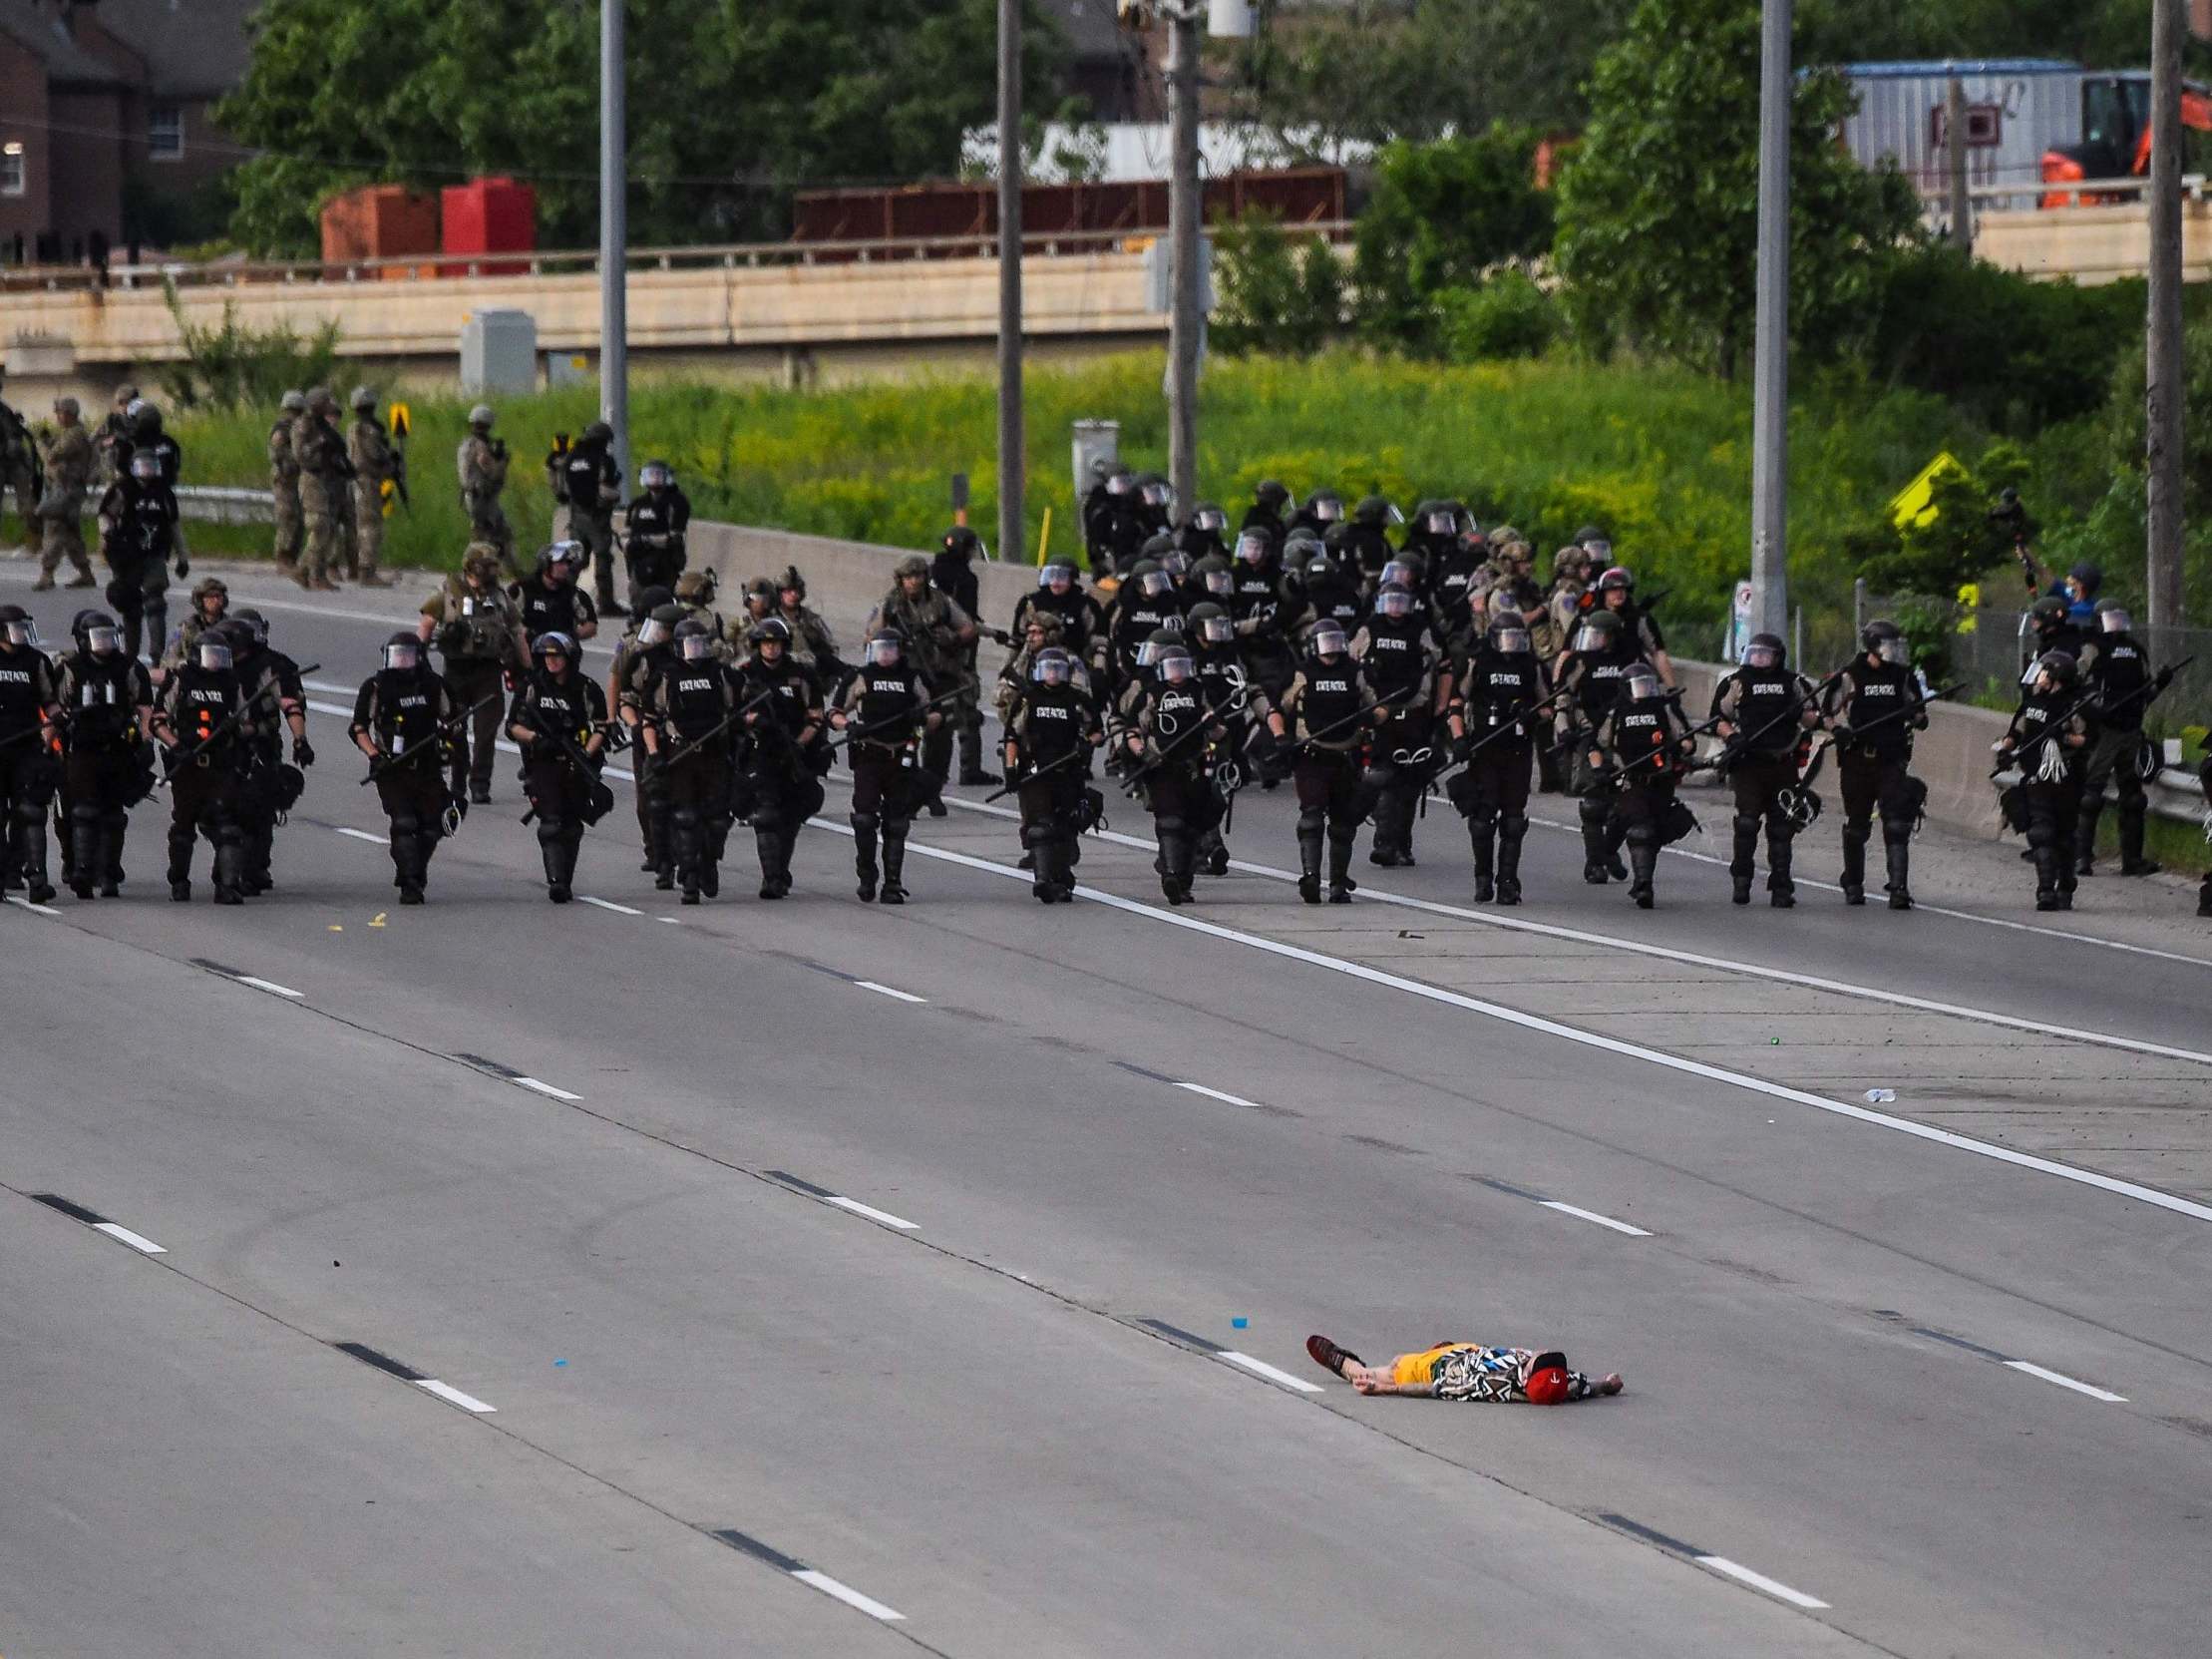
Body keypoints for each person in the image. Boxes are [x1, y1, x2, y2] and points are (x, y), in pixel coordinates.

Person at [1266, 619, 1385, 904]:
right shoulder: (1302, 674)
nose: (1330, 651)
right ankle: (1310, 876)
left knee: (1343, 824)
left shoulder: (1355, 673)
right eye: (1325, 644)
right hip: (1312, 755)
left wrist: (1372, 717)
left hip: (1346, 756)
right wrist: (1281, 736)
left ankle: (1338, 883)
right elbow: (1276, 708)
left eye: (1335, 643)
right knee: (1312, 816)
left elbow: (1380, 707)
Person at [1710, 631, 1820, 907]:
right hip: (1748, 764)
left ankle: (1781, 886)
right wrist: (1732, 737)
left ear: (1778, 657)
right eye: (1754, 653)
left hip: (1783, 763)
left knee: (1782, 828)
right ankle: (1742, 880)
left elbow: (1814, 718)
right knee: (1747, 823)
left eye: (1764, 654)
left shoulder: (1794, 683)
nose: (1758, 659)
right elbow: (1718, 718)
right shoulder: (1737, 683)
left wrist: (1800, 714)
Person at [1445, 614, 1549, 905]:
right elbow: (1456, 702)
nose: (1512, 645)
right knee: (1482, 818)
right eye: (1507, 638)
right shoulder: (1478, 663)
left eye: (1517, 638)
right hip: (1485, 748)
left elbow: (1548, 707)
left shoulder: (1531, 667)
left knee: (1514, 820)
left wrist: (1531, 713)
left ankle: (1507, 881)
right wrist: (1459, 738)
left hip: (1517, 750)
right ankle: (1482, 878)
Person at [1823, 621, 1928, 910]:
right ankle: (1854, 883)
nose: (1894, 652)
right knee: (1857, 825)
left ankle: (1898, 888)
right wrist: (1837, 731)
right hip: (1858, 759)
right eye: (1888, 646)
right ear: (1872, 646)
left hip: (1891, 758)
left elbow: (1920, 714)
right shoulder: (1849, 676)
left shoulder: (1903, 676)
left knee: (1896, 823)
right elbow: (1826, 713)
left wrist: (1915, 716)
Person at [350, 631, 461, 905]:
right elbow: (358, 727)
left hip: (428, 765)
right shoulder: (375, 687)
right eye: (396, 656)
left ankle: (413, 870)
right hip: (392, 768)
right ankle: (410, 883)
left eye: (406, 656)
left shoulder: (434, 685)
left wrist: (447, 742)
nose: (400, 661)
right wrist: (375, 756)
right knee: (404, 823)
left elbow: (453, 721)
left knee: (432, 826)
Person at [52, 610, 154, 899]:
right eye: (99, 638)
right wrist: (51, 743)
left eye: (110, 637)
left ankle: (110, 873)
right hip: (82, 749)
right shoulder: (71, 668)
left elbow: (145, 706)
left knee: (113, 814)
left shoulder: (129, 668)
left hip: (118, 749)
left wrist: (146, 741)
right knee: (83, 809)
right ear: (84, 640)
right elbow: (54, 706)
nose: (105, 644)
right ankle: (83, 870)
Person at [833, 627, 938, 904]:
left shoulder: (913, 678)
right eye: (880, 648)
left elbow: (937, 712)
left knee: (897, 822)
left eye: (890, 648)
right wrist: (850, 726)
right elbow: (834, 712)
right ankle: (867, 875)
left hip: (901, 755)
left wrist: (922, 719)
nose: (885, 653)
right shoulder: (861, 677)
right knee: (865, 818)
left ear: (899, 650)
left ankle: (893, 883)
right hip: (869, 754)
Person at [418, 547, 529, 805]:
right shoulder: (447, 592)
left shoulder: (500, 597)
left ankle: (480, 783)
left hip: (489, 671)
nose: (491, 571)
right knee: (454, 727)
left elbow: (517, 631)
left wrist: (529, 669)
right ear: (472, 566)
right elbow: (426, 625)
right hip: (456, 670)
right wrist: (415, 659)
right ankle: (458, 780)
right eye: (486, 565)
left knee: (486, 730)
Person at [867, 555, 974, 817]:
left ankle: (932, 789)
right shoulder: (890, 605)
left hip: (940, 676)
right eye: (908, 577)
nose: (914, 581)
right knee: (906, 735)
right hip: (906, 678)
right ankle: (907, 792)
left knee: (941, 736)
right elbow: (871, 635)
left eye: (918, 576)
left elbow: (968, 627)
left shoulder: (940, 601)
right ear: (900, 580)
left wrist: (952, 639)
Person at [643, 619, 743, 904]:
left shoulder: (721, 675)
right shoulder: (666, 677)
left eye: (701, 644)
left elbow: (737, 708)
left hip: (715, 754)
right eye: (690, 645)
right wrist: (654, 755)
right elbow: (649, 721)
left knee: (717, 820)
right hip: (680, 753)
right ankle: (689, 878)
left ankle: (708, 862)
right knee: (685, 818)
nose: (696, 650)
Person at [150, 628, 252, 905]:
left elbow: (248, 723)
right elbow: (158, 721)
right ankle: (180, 882)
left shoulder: (232, 684)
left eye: (221, 656)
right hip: (188, 765)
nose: (215, 662)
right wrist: (176, 746)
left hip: (221, 765)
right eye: (211, 656)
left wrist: (237, 728)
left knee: (228, 827)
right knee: (183, 826)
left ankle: (227, 885)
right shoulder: (180, 680)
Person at [1120, 639, 1227, 905]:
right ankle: (1169, 874)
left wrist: (1213, 725)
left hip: (1195, 766)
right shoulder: (1151, 694)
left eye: (1182, 667)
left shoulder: (1199, 692)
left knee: (1193, 825)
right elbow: (1133, 730)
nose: (1177, 673)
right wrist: (1141, 753)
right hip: (1162, 767)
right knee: (1170, 821)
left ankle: (1183, 880)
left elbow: (1220, 731)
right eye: (1171, 667)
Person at [510, 631, 609, 903]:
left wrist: (585, 754)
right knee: (551, 822)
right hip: (543, 763)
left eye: (558, 656)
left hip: (576, 762)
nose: (552, 661)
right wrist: (536, 740)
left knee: (572, 824)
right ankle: (556, 881)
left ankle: (566, 878)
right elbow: (513, 726)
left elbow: (602, 727)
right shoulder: (532, 688)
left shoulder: (587, 688)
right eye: (547, 656)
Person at [1351, 581, 1444, 868]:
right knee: (1383, 776)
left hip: (1414, 710)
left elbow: (1436, 663)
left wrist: (1432, 708)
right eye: (1389, 601)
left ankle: (1403, 844)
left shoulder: (1419, 628)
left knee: (1411, 781)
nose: (1395, 608)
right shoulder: (1370, 628)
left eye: (1400, 602)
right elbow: (1353, 661)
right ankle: (1384, 842)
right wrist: (1367, 707)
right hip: (1380, 711)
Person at [2075, 600, 2169, 878]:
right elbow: (2078, 688)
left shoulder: (2136, 650)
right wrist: (2094, 712)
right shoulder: (2093, 650)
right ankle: (2081, 857)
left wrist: (2160, 684)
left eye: (2119, 618)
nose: (2115, 624)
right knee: (2091, 796)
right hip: (2104, 731)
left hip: (2130, 729)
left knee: (2133, 798)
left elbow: (2145, 693)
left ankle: (2132, 860)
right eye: (2110, 618)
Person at [1588, 663, 1695, 908]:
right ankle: (1643, 885)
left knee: (1659, 828)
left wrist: (1677, 747)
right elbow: (1595, 745)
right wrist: (1598, 769)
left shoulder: (1665, 709)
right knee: (1641, 829)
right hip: (1631, 780)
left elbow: (1689, 740)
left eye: (1649, 685)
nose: (1645, 691)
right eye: (1640, 686)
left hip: (1662, 780)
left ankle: (1610, 844)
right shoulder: (1616, 713)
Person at [1995, 650, 2094, 912]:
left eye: (2043, 672)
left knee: (2064, 836)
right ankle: (2045, 891)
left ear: (2056, 675)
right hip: (2036, 777)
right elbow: (2015, 732)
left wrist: (2063, 737)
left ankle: (2065, 885)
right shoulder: (2032, 704)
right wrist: (2005, 751)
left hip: (2066, 780)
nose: (2038, 677)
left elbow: (2086, 740)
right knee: (2041, 833)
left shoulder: (2073, 706)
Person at [734, 616, 826, 899]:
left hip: (795, 752)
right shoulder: (744, 673)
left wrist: (799, 744)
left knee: (791, 816)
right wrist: (750, 722)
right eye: (766, 643)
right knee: (766, 815)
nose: (771, 648)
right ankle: (770, 878)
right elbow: (730, 714)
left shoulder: (802, 675)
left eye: (776, 643)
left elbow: (816, 717)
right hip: (760, 751)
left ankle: (781, 871)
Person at [1002, 644, 1102, 903]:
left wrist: (1087, 742)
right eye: (1048, 669)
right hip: (1036, 772)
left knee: (1066, 827)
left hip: (1068, 772)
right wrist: (1011, 770)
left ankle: (1061, 877)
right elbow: (1012, 736)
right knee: (1040, 827)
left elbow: (1098, 730)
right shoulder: (1028, 699)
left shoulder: (1077, 700)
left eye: (1058, 670)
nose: (1053, 675)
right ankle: (1043, 880)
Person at [225, 612, 311, 895]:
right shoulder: (213, 662)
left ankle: (254, 868)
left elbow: (291, 705)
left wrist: (300, 740)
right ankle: (228, 867)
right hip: (222, 747)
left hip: (261, 747)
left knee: (259, 811)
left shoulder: (274, 667)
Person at [1555, 608, 1641, 884]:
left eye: (1600, 636)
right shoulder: (1580, 663)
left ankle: (1607, 851)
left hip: (1625, 738)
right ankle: (1595, 864)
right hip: (1589, 733)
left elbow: (1646, 694)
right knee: (1594, 804)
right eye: (1591, 635)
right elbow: (1563, 698)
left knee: (1627, 804)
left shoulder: (1630, 660)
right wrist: (1564, 729)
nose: (1593, 641)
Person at [1304, 1335, 1622, 1403]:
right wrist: (1607, 1384)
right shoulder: (1563, 1384)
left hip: (1442, 1370)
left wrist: (1388, 1389)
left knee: (1390, 1368)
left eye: (1539, 1357)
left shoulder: (1494, 1384)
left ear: (1526, 1376)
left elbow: (1442, 1389)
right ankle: (1440, 1349)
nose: (1538, 1352)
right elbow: (1587, 1385)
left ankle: (1344, 1363)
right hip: (1468, 1352)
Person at [0, 606, 62, 905]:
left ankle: (36, 877)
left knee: (32, 811)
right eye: (15, 629)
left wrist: (57, 717)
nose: (21, 635)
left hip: (26, 746)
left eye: (24, 629)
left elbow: (48, 700)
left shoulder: (36, 661)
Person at [96, 449, 181, 661]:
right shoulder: (122, 490)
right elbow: (105, 516)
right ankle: (130, 654)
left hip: (155, 554)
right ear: (133, 468)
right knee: (131, 604)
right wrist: (108, 538)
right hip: (127, 556)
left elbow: (174, 526)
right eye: (143, 465)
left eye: (151, 465)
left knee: (155, 602)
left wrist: (183, 556)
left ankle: (157, 653)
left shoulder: (163, 493)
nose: (147, 470)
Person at [930, 525, 997, 786]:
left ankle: (932, 773)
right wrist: (988, 632)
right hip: (957, 654)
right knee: (966, 711)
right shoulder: (965, 579)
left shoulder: (932, 574)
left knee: (935, 711)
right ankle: (969, 769)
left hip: (933, 654)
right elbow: (963, 619)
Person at [32, 396, 99, 592]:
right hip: (65, 489)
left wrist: (41, 445)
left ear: (69, 414)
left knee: (54, 529)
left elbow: (52, 457)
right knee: (71, 534)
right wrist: (49, 440)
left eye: (60, 413)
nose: (58, 417)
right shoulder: (70, 433)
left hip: (66, 490)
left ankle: (47, 574)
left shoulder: (74, 435)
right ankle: (86, 574)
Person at [558, 421, 623, 617]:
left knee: (575, 559)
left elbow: (561, 488)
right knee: (603, 557)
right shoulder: (603, 459)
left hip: (576, 515)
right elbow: (606, 490)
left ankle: (561, 598)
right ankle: (606, 602)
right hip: (597, 516)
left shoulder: (571, 458)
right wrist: (615, 495)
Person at [292, 387, 353, 592]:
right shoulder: (303, 425)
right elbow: (300, 456)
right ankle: (316, 576)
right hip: (312, 480)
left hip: (327, 480)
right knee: (319, 527)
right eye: (325, 403)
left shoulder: (321, 426)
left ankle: (303, 569)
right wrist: (319, 443)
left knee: (326, 528)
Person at [344, 387, 400, 588]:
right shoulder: (368, 430)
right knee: (370, 526)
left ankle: (360, 568)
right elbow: (375, 455)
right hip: (367, 480)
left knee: (361, 525)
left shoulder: (353, 427)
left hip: (357, 480)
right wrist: (391, 463)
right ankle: (367, 571)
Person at [457, 404, 515, 579]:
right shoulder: (480, 446)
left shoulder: (465, 444)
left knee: (496, 533)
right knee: (485, 536)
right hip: (482, 499)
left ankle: (504, 570)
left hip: (472, 496)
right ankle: (478, 571)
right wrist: (503, 460)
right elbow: (491, 470)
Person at [623, 458, 690, 607]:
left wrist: (646, 539)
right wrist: (628, 545)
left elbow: (675, 536)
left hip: (665, 560)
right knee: (637, 600)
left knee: (663, 601)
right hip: (639, 560)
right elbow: (626, 533)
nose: (654, 478)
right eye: (650, 474)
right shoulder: (637, 504)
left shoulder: (676, 502)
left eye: (658, 474)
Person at [1012, 558, 1105, 662]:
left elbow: (1099, 642)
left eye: (1061, 578)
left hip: (1072, 662)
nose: (1055, 582)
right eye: (1051, 576)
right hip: (1035, 662)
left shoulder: (1086, 604)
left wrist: (1098, 669)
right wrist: (1006, 668)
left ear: (1071, 579)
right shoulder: (1031, 602)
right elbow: (1017, 640)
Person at [513, 541, 600, 644]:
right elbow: (509, 620)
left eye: (568, 563)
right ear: (546, 564)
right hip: (529, 648)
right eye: (560, 563)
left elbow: (591, 625)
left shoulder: (574, 594)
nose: (565, 568)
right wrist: (529, 634)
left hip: (561, 652)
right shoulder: (523, 589)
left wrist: (571, 635)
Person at [162, 576, 230, 675]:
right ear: (200, 600)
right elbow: (169, 659)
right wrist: (184, 664)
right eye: (211, 597)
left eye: (219, 596)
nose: (216, 600)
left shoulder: (230, 626)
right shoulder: (186, 628)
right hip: (194, 677)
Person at [268, 390, 306, 575]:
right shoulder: (281, 430)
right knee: (288, 518)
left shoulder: (299, 429)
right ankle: (283, 558)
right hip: (285, 480)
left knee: (298, 520)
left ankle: (292, 558)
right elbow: (277, 455)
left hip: (297, 480)